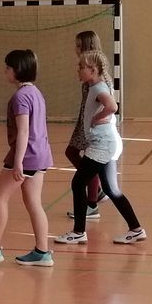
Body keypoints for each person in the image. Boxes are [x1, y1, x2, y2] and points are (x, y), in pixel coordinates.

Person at [0, 49, 55, 266]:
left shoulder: (20, 97)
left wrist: (18, 162)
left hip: (26, 156)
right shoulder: (36, 93)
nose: (4, 71)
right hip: (41, 155)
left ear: (18, 70)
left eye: (7, 68)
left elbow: (24, 131)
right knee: (33, 201)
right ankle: (42, 251)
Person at [54, 50, 146, 245]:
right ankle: (136, 229)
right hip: (108, 144)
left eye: (81, 67)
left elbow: (112, 106)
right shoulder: (95, 86)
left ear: (93, 70)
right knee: (111, 189)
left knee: (78, 183)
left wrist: (97, 117)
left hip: (102, 145)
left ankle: (78, 232)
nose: (78, 70)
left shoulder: (98, 88)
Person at [65, 28, 106, 218]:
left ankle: (92, 203)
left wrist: (96, 120)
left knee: (86, 159)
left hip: (91, 124)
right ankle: (96, 191)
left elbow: (107, 101)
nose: (76, 49)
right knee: (73, 153)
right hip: (85, 120)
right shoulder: (86, 72)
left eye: (79, 46)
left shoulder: (96, 74)